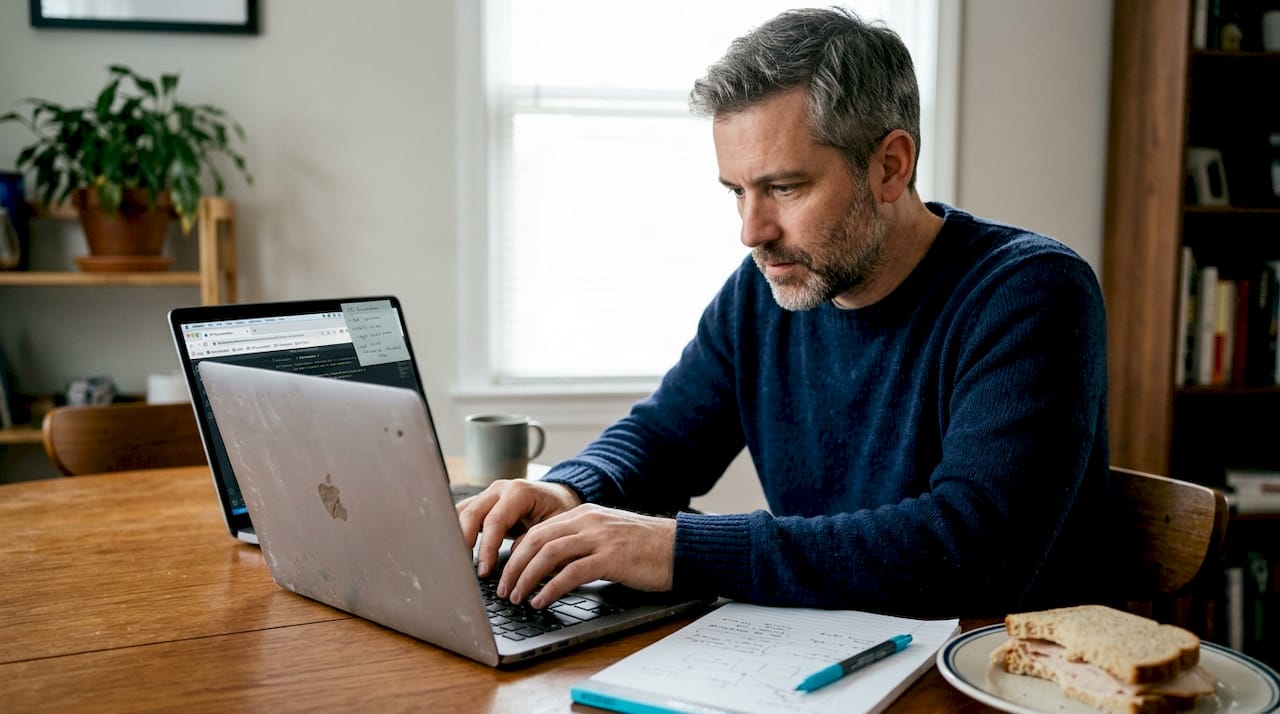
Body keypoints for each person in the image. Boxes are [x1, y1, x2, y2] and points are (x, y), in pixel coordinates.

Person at [456, 6, 1110, 617]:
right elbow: (663, 440)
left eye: (784, 188)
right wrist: (569, 491)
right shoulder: (765, 288)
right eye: (736, 192)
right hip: (828, 657)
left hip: (998, 677)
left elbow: (972, 551)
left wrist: (677, 549)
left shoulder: (1030, 293)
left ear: (890, 167)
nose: (752, 230)